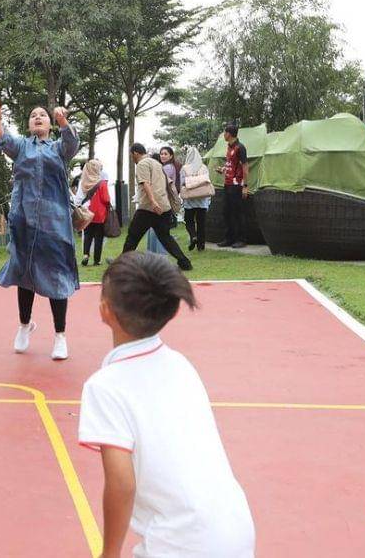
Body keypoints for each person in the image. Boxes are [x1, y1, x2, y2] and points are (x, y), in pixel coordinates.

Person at [79, 252, 255, 557]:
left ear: (104, 311)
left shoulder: (105, 386)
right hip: (236, 530)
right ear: (171, 312)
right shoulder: (181, 364)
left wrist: (109, 553)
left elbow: (121, 483)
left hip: (182, 543)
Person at [0, 100, 79, 360]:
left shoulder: (58, 148)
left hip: (55, 223)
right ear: (29, 125)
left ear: (50, 124)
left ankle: (60, 336)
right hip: (24, 220)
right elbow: (3, 140)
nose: (38, 117)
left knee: (56, 275)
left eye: (42, 115)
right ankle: (24, 325)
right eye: (33, 115)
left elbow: (72, 144)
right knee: (24, 271)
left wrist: (63, 122)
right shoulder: (21, 147)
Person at [122, 144, 193, 271]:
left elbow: (146, 184)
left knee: (133, 236)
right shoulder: (157, 163)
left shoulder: (142, 164)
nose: (131, 157)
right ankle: (185, 263)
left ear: (135, 153)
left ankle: (122, 263)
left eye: (131, 154)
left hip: (148, 207)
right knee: (165, 237)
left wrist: (153, 202)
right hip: (163, 206)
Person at [216, 124, 248, 249]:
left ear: (229, 134)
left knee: (238, 212)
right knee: (227, 212)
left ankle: (241, 239)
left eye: (224, 133)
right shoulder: (229, 147)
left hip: (237, 185)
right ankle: (229, 238)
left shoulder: (240, 147)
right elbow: (231, 164)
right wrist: (223, 169)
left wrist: (245, 185)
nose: (224, 135)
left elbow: (245, 166)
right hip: (227, 183)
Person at [77, 159, 111, 266]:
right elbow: (106, 199)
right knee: (98, 237)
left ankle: (85, 255)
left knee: (87, 235)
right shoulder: (102, 183)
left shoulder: (82, 182)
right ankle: (97, 260)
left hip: (86, 212)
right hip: (99, 214)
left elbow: (79, 198)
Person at [180, 146, 213, 251]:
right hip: (202, 199)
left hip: (190, 199)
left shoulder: (185, 168)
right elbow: (207, 181)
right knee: (201, 223)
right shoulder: (204, 167)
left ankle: (193, 236)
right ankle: (201, 246)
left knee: (189, 220)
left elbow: (182, 183)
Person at [144, 153, 168, 256]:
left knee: (155, 229)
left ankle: (154, 253)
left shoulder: (155, 173)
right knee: (158, 230)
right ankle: (157, 253)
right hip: (159, 204)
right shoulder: (161, 171)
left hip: (155, 204)